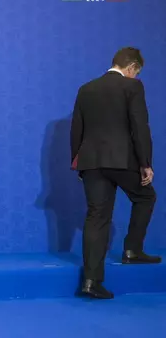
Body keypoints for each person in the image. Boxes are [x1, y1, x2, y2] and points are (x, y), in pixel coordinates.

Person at [71, 47, 160, 300]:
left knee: (96, 217)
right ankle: (133, 250)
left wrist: (77, 163)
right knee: (145, 197)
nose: (135, 76)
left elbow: (77, 129)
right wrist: (146, 163)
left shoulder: (86, 88)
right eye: (136, 72)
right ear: (131, 67)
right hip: (122, 161)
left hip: (90, 162)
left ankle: (91, 281)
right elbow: (140, 127)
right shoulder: (133, 87)